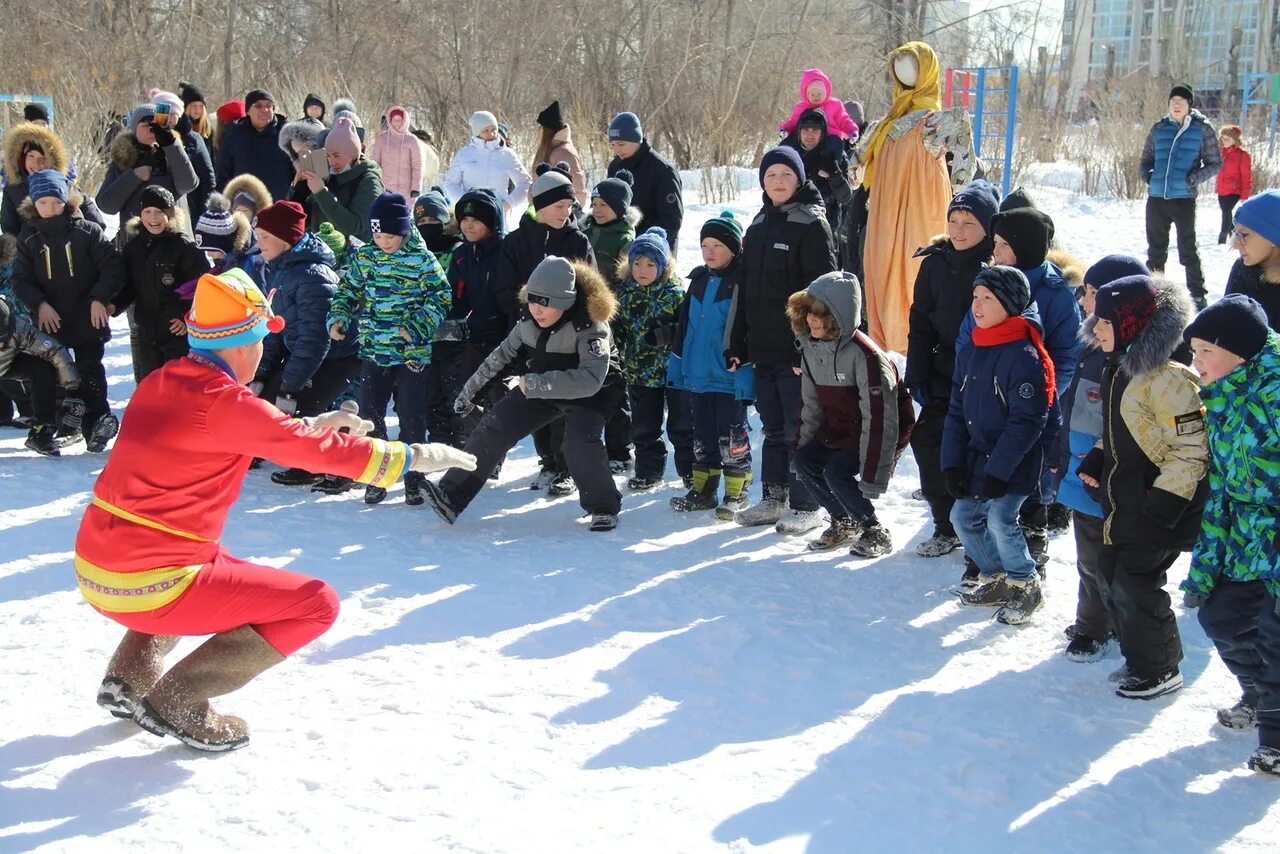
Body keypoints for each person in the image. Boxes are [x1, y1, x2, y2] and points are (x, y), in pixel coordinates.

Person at [78, 266, 474, 752]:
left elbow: (244, 430)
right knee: (315, 603)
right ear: (247, 344)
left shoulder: (163, 380)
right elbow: (283, 440)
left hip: (97, 567)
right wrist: (411, 456)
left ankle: (128, 677)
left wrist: (314, 423)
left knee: (216, 566)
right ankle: (179, 701)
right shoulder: (225, 402)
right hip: (151, 584)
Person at [423, 256, 624, 532]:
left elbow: (591, 380)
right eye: (533, 300)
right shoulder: (527, 321)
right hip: (541, 382)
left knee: (579, 443)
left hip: (594, 392)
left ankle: (603, 507)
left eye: (546, 303)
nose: (537, 309)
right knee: (495, 425)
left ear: (565, 303)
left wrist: (537, 384)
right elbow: (501, 357)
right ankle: (451, 494)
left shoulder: (591, 326)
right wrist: (470, 392)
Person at [1076, 275, 1206, 699]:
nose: (1095, 329)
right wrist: (1098, 454)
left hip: (1158, 504)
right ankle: (1140, 658)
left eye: (1105, 323)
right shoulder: (1122, 369)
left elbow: (1190, 449)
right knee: (1112, 576)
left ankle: (1160, 669)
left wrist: (1166, 501)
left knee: (1136, 582)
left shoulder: (1169, 380)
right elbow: (1119, 428)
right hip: (1124, 500)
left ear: (1132, 328)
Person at [1178, 297, 1276, 738]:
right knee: (1220, 618)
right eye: (1194, 351)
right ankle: (1259, 695)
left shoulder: (1274, 392)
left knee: (1275, 640)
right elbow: (1220, 484)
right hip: (1248, 539)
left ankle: (1275, 736)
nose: (1195, 363)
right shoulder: (1223, 395)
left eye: (1205, 352)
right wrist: (1206, 566)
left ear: (1238, 353)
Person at [728, 146, 836, 534]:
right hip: (763, 348)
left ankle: (808, 503)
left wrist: (809, 346)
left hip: (797, 351)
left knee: (800, 427)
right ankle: (775, 497)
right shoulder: (757, 225)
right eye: (771, 175)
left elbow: (824, 295)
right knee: (773, 428)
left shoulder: (811, 224)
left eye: (785, 176)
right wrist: (737, 343)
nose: (778, 182)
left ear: (799, 179)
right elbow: (743, 291)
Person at [943, 266, 1052, 625]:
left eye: (988, 298)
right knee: (963, 516)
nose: (978, 305)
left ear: (1009, 304)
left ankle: (1026, 583)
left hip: (1013, 460)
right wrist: (952, 464)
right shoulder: (973, 347)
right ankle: (998, 577)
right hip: (977, 455)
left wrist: (999, 471)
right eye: (976, 297)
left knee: (1000, 518)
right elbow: (957, 409)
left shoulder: (1024, 355)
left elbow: (1027, 421)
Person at [327, 192, 451, 506]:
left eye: (390, 236)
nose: (384, 242)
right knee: (370, 415)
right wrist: (339, 316)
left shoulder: (421, 258)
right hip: (374, 349)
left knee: (412, 416)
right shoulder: (365, 257)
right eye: (378, 235)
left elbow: (441, 295)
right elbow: (347, 289)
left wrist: (419, 325)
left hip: (411, 353)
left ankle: (413, 477)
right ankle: (377, 475)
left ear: (405, 230)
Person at [1057, 255, 1150, 662]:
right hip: (1081, 467)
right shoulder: (1092, 342)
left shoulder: (1133, 357)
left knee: (1101, 559)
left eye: (1093, 293)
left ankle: (1095, 627)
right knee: (1088, 554)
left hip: (1109, 474)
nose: (1084, 299)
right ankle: (1097, 618)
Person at [856, 41, 976, 353]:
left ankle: (916, 347)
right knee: (881, 271)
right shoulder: (884, 125)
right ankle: (887, 346)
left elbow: (965, 167)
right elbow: (855, 169)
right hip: (885, 211)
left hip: (923, 207)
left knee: (916, 272)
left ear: (927, 71)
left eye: (911, 65)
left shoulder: (941, 121)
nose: (903, 72)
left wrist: (960, 199)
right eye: (898, 66)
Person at [905, 179, 999, 558]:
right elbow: (920, 321)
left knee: (971, 450)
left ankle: (976, 522)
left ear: (988, 228)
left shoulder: (995, 267)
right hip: (943, 371)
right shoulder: (935, 265)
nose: (959, 231)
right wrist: (917, 373)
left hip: (983, 375)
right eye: (954, 221)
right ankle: (946, 524)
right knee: (927, 440)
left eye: (969, 223)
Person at [788, 270, 912, 555]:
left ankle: (873, 528)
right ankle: (843, 520)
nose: (812, 321)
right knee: (806, 460)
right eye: (809, 313)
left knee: (836, 471)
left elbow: (882, 418)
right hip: (839, 430)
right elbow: (811, 406)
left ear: (839, 316)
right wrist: (802, 445)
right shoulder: (812, 349)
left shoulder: (865, 356)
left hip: (875, 433)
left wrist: (873, 473)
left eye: (821, 315)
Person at [242, 200, 363, 486]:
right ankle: (260, 448)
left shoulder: (313, 276)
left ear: (285, 238)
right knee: (263, 398)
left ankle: (316, 463)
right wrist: (260, 374)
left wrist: (290, 386)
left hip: (338, 355)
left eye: (266, 238)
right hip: (306, 350)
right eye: (258, 238)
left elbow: (315, 339)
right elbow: (277, 328)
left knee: (303, 403)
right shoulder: (281, 268)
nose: (261, 245)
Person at [497, 162, 597, 493]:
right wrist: (531, 317)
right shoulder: (515, 243)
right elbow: (505, 289)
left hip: (569, 340)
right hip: (530, 336)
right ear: (540, 206)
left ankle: (566, 465)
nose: (566, 212)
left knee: (566, 402)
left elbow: (591, 288)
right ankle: (548, 462)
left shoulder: (577, 242)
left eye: (569, 206)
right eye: (559, 206)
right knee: (535, 395)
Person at [11, 169, 123, 453]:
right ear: (33, 204)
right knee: (54, 372)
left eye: (56, 202)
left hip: (88, 315)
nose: (50, 208)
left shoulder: (87, 231)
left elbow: (112, 267)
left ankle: (96, 424)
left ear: (66, 200)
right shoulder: (29, 238)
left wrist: (100, 297)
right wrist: (39, 304)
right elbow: (21, 280)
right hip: (51, 319)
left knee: (89, 369)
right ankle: (53, 426)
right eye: (43, 203)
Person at [668, 211, 755, 516]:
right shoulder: (698, 281)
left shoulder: (742, 283)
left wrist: (745, 367)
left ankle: (737, 490)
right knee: (702, 435)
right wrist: (677, 367)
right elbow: (683, 329)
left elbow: (747, 329)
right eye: (705, 245)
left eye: (717, 245)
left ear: (734, 249)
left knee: (732, 436)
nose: (710, 251)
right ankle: (703, 490)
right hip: (698, 376)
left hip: (729, 377)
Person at [427, 189, 507, 452]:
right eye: (464, 219)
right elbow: (456, 298)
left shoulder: (506, 251)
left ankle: (491, 451)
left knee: (498, 394)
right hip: (475, 333)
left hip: (507, 332)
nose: (469, 225)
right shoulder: (463, 255)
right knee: (472, 391)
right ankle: (472, 447)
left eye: (476, 219)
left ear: (492, 222)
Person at [614, 226, 692, 490]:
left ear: (663, 266)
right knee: (644, 427)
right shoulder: (624, 294)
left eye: (650, 264)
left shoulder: (674, 293)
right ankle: (648, 471)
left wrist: (666, 334)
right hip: (639, 372)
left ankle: (691, 471)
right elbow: (618, 328)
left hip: (674, 372)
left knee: (682, 425)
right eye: (637, 263)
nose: (643, 270)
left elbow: (688, 328)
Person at [1139, 83, 1221, 311]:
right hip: (1156, 199)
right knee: (1156, 250)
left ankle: (1198, 294)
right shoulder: (1158, 128)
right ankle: (1152, 293)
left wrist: (1192, 179)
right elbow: (1145, 160)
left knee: (1187, 249)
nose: (1176, 105)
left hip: (1184, 200)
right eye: (1172, 101)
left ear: (1189, 105)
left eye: (1181, 102)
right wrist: (1149, 177)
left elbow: (1215, 162)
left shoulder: (1202, 129)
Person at [114, 185, 209, 380]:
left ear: (171, 214)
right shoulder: (134, 248)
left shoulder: (183, 247)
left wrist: (186, 316)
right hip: (147, 331)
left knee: (176, 384)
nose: (153, 218)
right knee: (151, 383)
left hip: (176, 331)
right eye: (147, 212)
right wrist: (112, 304)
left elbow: (202, 286)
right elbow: (130, 286)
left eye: (159, 212)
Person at [97, 102, 199, 243]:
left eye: (155, 126)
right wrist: (133, 177)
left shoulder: (173, 154)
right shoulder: (123, 159)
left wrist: (171, 144)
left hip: (175, 243)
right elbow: (106, 205)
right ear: (134, 129)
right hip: (136, 245)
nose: (151, 130)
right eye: (145, 126)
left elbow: (188, 184)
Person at [0, 287, 80, 455]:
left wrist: (72, 392)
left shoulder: (20, 329)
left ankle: (42, 430)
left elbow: (56, 351)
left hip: (6, 364)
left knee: (42, 368)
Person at [3, 121, 107, 237]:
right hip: (31, 249)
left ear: (50, 161)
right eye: (31, 156)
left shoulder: (62, 183)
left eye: (42, 158)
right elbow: (9, 229)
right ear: (22, 159)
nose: (36, 163)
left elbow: (91, 215)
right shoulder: (13, 189)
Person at [301, 117, 384, 243]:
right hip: (324, 251)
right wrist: (298, 186)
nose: (332, 161)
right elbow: (307, 218)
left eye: (336, 155)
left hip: (356, 256)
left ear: (353, 154)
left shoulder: (369, 180)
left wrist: (322, 193)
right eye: (328, 155)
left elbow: (356, 227)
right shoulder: (329, 175)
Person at [606, 112, 683, 249]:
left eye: (621, 144)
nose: (616, 150)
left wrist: (642, 243)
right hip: (619, 248)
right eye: (612, 145)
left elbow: (671, 220)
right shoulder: (615, 167)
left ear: (636, 139)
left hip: (654, 253)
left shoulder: (663, 170)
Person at [444, 111, 532, 226]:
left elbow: (525, 182)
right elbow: (451, 183)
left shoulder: (506, 154)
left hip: (497, 216)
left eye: (494, 129)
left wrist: (509, 203)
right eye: (486, 130)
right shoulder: (464, 154)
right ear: (476, 132)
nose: (491, 134)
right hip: (471, 215)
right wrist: (465, 200)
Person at [781, 107, 852, 241]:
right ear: (798, 131)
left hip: (825, 226)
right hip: (791, 224)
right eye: (806, 130)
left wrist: (835, 175)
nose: (810, 135)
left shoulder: (836, 155)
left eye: (815, 130)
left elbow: (846, 198)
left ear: (822, 133)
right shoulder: (786, 155)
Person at [215, 89, 295, 203]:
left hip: (279, 206)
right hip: (243, 208)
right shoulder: (234, 135)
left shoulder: (286, 134)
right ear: (248, 111)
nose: (265, 110)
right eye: (258, 106)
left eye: (269, 106)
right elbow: (223, 175)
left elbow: (298, 172)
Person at [1224, 190, 1280, 330]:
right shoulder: (1241, 268)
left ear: (1274, 238)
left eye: (1244, 235)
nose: (1236, 245)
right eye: (1236, 234)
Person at [583, 170, 639, 288]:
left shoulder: (625, 241)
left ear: (620, 209)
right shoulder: (585, 232)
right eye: (594, 204)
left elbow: (625, 282)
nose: (597, 210)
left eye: (603, 205)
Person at [531, 101, 587, 206]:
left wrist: (570, 216)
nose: (538, 131)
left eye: (541, 127)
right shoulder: (550, 150)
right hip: (544, 213)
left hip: (558, 216)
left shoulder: (564, 153)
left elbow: (578, 190)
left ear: (547, 130)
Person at [779, 68, 859, 140]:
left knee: (835, 144)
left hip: (830, 137)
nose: (816, 97)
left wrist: (852, 131)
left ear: (826, 92)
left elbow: (844, 120)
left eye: (819, 94)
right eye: (812, 94)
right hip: (809, 140)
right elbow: (793, 122)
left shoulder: (834, 105)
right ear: (806, 95)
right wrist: (786, 129)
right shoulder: (801, 108)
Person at [372, 106, 422, 201]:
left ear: (404, 120)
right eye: (394, 120)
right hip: (385, 190)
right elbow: (375, 165)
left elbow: (417, 166)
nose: (396, 123)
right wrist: (374, 185)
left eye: (399, 120)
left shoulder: (412, 140)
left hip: (406, 192)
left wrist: (416, 187)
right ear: (389, 121)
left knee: (403, 215)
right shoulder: (381, 139)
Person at [1215, 125, 1252, 245]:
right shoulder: (1220, 153)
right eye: (1223, 138)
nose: (1224, 141)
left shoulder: (1242, 155)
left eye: (1228, 139)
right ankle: (1235, 234)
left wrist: (1245, 193)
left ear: (1235, 140)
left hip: (1234, 190)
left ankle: (1222, 239)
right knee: (1226, 213)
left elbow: (1246, 175)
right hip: (1221, 189)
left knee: (1226, 212)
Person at [179, 81, 213, 149]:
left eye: (200, 106)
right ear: (186, 107)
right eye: (194, 105)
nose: (197, 109)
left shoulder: (208, 129)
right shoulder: (180, 127)